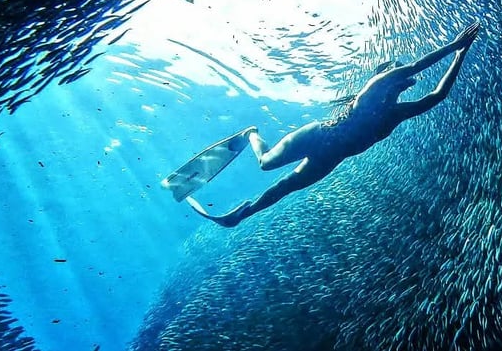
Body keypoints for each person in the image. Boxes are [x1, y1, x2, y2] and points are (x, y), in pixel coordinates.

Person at [187, 21, 480, 227]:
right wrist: (453, 45)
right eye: (397, 73)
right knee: (265, 164)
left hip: (331, 158)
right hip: (317, 136)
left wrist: (459, 56)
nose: (404, 78)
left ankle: (238, 216)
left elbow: (437, 96)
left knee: (285, 188)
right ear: (390, 75)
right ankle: (252, 133)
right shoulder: (374, 87)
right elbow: (416, 66)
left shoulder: (395, 114)